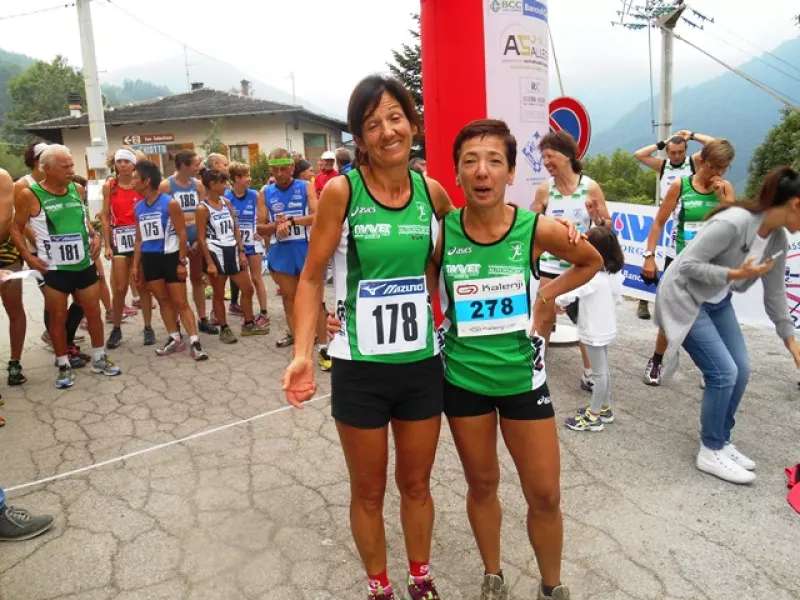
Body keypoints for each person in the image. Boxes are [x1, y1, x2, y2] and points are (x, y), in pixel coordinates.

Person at [283, 75, 458, 600]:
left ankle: (420, 578)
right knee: (369, 490)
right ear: (360, 138)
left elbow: (461, 253)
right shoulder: (342, 191)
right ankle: (378, 585)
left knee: (418, 485)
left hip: (420, 365)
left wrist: (556, 233)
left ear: (413, 122)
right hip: (360, 366)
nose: (387, 131)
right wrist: (303, 353)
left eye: (395, 117)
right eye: (373, 123)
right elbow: (312, 275)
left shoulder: (433, 193)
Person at [655, 166, 800, 485]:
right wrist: (733, 275)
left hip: (716, 301)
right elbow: (689, 265)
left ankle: (721, 439)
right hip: (684, 297)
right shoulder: (733, 222)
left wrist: (793, 346)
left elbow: (775, 296)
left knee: (742, 369)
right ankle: (710, 449)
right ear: (795, 205)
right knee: (723, 372)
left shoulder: (777, 240)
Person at [11, 145, 121, 388]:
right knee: (58, 319)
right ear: (47, 169)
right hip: (55, 269)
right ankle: (63, 364)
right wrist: (28, 257)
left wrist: (95, 237)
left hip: (82, 263)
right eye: (66, 167)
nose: (72, 170)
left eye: (72, 165)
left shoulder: (77, 188)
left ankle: (99, 357)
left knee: (93, 312)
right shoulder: (30, 194)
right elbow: (15, 228)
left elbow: (83, 222)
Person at [641, 139, 737, 386]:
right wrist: (649, 256)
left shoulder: (725, 188)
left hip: (713, 264)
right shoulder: (680, 185)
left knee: (712, 315)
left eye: (723, 168)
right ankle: (657, 359)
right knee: (671, 314)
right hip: (681, 260)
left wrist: (723, 199)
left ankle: (712, 367)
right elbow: (659, 222)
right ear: (701, 161)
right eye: (714, 167)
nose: (717, 173)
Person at [532, 130, 610, 392]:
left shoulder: (590, 187)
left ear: (567, 156)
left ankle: (590, 373)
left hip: (581, 267)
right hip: (550, 265)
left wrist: (597, 217)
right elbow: (531, 225)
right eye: (543, 158)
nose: (546, 162)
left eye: (550, 156)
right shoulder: (546, 189)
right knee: (543, 315)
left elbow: (606, 227)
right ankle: (537, 364)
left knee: (585, 322)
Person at [258, 148, 329, 367]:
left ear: (291, 168)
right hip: (282, 252)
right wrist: (276, 225)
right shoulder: (265, 192)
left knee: (315, 300)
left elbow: (319, 216)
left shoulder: (305, 186)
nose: (279, 173)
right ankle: (301, 349)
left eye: (283, 168)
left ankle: (324, 349)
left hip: (306, 249)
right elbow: (261, 227)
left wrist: (291, 221)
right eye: (275, 169)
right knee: (290, 301)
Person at [634, 129, 715, 319]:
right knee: (652, 256)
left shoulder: (694, 162)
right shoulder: (663, 166)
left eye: (680, 152)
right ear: (667, 152)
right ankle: (644, 299)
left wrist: (693, 135)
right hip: (667, 215)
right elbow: (639, 154)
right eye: (672, 152)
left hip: (689, 215)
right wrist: (664, 142)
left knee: (679, 260)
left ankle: (688, 305)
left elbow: (715, 145)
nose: (677, 156)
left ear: (686, 151)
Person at [132, 161, 208, 360]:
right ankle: (175, 337)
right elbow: (139, 239)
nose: (132, 182)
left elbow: (182, 234)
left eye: (135, 178)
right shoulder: (139, 207)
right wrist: (135, 266)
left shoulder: (169, 203)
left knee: (180, 301)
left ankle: (194, 341)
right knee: (163, 301)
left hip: (170, 257)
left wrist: (181, 262)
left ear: (146, 181)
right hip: (150, 259)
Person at [560, 226, 624, 432]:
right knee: (603, 370)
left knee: (599, 374)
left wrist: (556, 301)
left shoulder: (591, 277)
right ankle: (604, 408)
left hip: (593, 330)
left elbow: (570, 292)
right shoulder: (611, 274)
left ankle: (594, 416)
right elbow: (617, 299)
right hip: (605, 328)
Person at [197, 168, 269, 343]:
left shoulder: (226, 202)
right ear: (213, 185)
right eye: (223, 182)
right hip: (216, 252)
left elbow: (235, 227)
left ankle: (248, 323)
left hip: (233, 250)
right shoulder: (202, 208)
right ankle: (224, 328)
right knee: (219, 293)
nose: (226, 186)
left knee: (248, 288)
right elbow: (201, 238)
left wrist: (241, 251)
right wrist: (209, 263)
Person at [101, 148, 156, 348]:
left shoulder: (140, 185)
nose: (123, 165)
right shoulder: (110, 186)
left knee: (142, 284)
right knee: (121, 287)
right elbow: (105, 216)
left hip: (141, 239)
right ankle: (116, 328)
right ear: (114, 164)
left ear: (134, 164)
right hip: (119, 239)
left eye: (127, 161)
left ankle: (148, 326)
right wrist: (107, 244)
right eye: (119, 161)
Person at [159, 151, 218, 335]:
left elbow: (203, 212)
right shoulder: (166, 185)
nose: (198, 167)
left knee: (197, 279)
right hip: (177, 238)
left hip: (196, 236)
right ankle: (178, 320)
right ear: (184, 166)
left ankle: (202, 318)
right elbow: (163, 216)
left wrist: (199, 241)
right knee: (178, 281)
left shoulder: (198, 185)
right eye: (195, 164)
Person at [224, 162, 269, 327]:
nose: (250, 178)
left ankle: (264, 312)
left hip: (253, 242)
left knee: (257, 278)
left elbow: (264, 215)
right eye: (247, 176)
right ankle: (245, 311)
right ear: (237, 178)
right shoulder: (227, 197)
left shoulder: (255, 195)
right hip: (236, 245)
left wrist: (261, 230)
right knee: (243, 281)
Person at [0, 169, 27, 386]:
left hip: (4, 253)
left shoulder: (2, 176)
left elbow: (4, 219)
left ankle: (15, 361)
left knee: (14, 308)